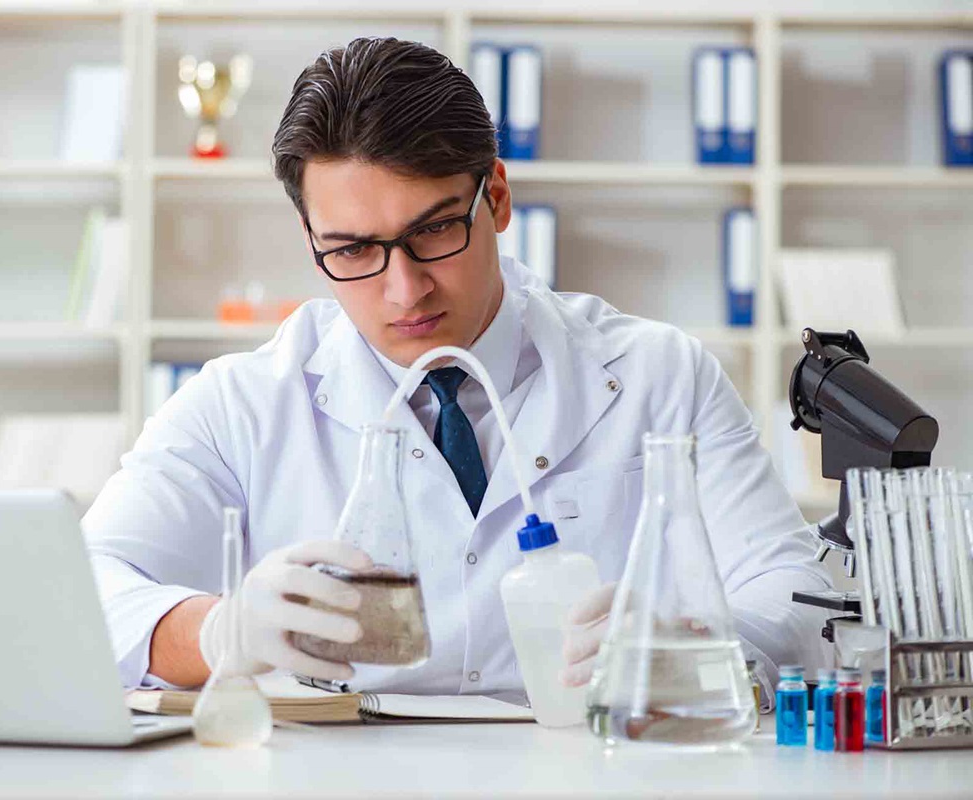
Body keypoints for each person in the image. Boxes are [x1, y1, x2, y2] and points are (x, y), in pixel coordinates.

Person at [83, 37, 832, 696]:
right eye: (351, 251)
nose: (403, 290)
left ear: (497, 198)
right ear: (310, 238)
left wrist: (704, 641)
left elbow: (796, 599)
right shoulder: (240, 405)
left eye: (435, 230)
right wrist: (220, 633)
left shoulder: (660, 377)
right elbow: (84, 591)